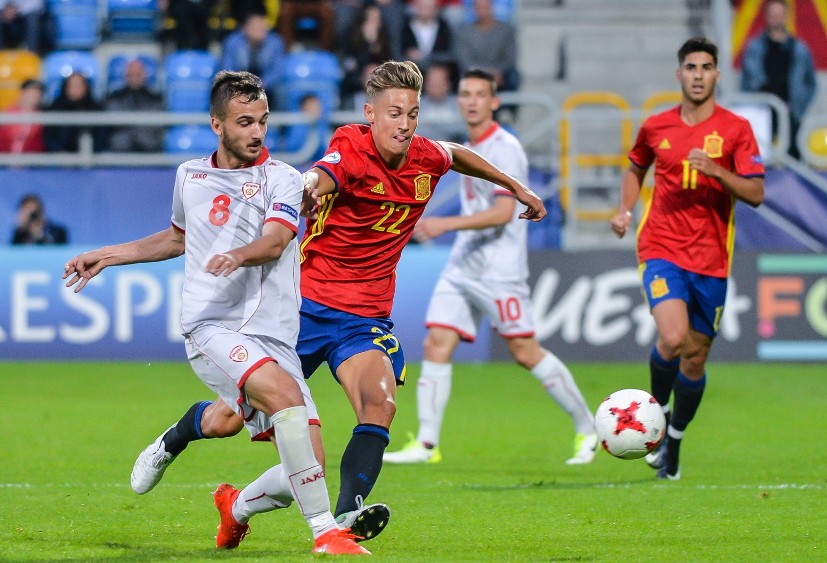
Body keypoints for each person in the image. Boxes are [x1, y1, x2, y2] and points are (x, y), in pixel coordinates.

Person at [126, 60, 546, 541]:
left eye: (412, 113)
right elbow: (323, 174)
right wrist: (304, 189)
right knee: (227, 420)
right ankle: (176, 437)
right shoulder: (350, 145)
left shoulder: (425, 158)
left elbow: (456, 153)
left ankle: (340, 518)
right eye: (393, 113)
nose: (404, 124)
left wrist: (515, 187)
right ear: (371, 114)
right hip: (303, 311)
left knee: (379, 405)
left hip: (364, 318)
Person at [62, 70, 368, 556]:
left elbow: (275, 241)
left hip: (274, 335)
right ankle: (326, 532)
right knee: (287, 399)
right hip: (211, 326)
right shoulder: (190, 175)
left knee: (306, 465)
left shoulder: (284, 179)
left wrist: (240, 255)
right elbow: (178, 237)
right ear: (217, 124)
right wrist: (110, 254)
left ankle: (226, 496)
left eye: (263, 121)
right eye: (244, 122)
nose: (256, 132)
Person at [383, 68, 597, 466]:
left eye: (480, 94)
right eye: (465, 93)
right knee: (436, 343)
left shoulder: (505, 148)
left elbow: (502, 212)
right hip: (464, 264)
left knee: (525, 352)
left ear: (494, 102)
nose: (471, 101)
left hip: (500, 271)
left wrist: (445, 224)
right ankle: (426, 445)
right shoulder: (467, 146)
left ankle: (588, 429)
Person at [609, 38, 765, 480]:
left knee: (695, 360)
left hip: (712, 260)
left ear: (717, 75)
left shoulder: (736, 129)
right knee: (673, 338)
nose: (698, 74)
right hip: (660, 246)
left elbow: (756, 193)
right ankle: (655, 418)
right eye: (691, 67)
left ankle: (673, 443)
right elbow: (635, 166)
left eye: (707, 67)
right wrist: (625, 209)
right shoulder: (657, 126)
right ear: (679, 74)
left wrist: (718, 170)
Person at [740, 0, 816, 160]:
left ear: (786, 16)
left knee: (793, 158)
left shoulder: (799, 48)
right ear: (766, 16)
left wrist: (798, 106)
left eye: (780, 14)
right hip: (762, 113)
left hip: (791, 114)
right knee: (758, 159)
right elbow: (746, 82)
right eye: (773, 14)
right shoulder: (754, 47)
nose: (776, 18)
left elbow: (811, 83)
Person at [219, 13, 286, 107]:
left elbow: (278, 70)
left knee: (281, 89)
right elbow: (227, 68)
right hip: (239, 81)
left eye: (263, 28)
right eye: (256, 28)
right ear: (245, 29)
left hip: (266, 84)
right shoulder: (232, 42)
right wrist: (239, 83)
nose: (261, 32)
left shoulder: (275, 42)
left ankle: (280, 121)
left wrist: (262, 84)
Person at [456, 0, 519, 93]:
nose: (482, 11)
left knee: (513, 76)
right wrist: (483, 73)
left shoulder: (506, 29)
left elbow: (510, 57)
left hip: (500, 73)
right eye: (479, 7)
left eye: (485, 7)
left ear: (491, 7)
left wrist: (497, 72)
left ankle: (508, 106)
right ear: (474, 9)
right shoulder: (465, 31)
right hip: (474, 71)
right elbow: (464, 58)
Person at [105, 59, 165, 153]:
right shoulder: (115, 97)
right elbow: (113, 119)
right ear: (126, 76)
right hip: (121, 149)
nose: (134, 77)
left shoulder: (155, 98)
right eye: (131, 74)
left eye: (137, 74)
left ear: (144, 75)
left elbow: (156, 122)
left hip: (148, 148)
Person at [44, 72, 107, 153]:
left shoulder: (96, 109)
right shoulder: (54, 108)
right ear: (65, 87)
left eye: (79, 85)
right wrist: (59, 153)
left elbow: (101, 137)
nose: (75, 89)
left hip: (90, 159)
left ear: (86, 87)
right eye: (72, 85)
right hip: (59, 160)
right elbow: (49, 137)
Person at [401, 0, 455, 73]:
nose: (425, 10)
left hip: (437, 70)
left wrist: (425, 58)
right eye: (422, 7)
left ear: (436, 9)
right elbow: (399, 52)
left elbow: (449, 54)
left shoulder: (443, 27)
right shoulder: (404, 27)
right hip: (411, 70)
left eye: (428, 7)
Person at [416, 63, 464, 143]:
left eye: (439, 82)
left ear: (448, 84)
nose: (435, 86)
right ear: (425, 84)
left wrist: (430, 126)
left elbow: (464, 129)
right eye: (432, 82)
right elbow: (412, 131)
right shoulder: (414, 104)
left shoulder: (460, 103)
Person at [0, 78, 44, 153]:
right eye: (31, 93)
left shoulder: (41, 117)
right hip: (5, 158)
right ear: (23, 93)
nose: (34, 97)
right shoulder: (7, 113)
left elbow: (38, 145)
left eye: (37, 94)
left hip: (30, 161)